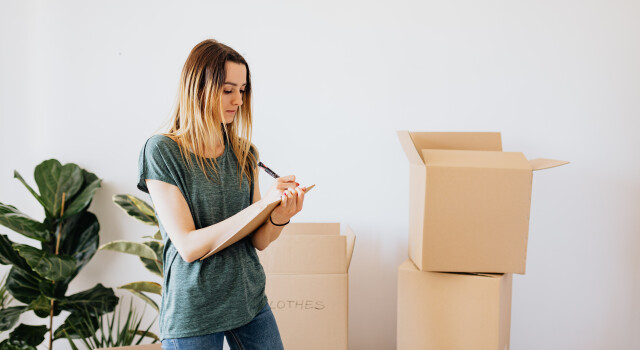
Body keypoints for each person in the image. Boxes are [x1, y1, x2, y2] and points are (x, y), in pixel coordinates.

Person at [137, 39, 305, 350]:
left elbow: (258, 240)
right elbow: (188, 247)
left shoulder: (244, 152)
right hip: (195, 310)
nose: (238, 100)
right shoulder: (162, 151)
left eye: (243, 90)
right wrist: (264, 204)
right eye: (228, 90)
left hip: (249, 300)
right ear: (197, 88)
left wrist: (279, 215)